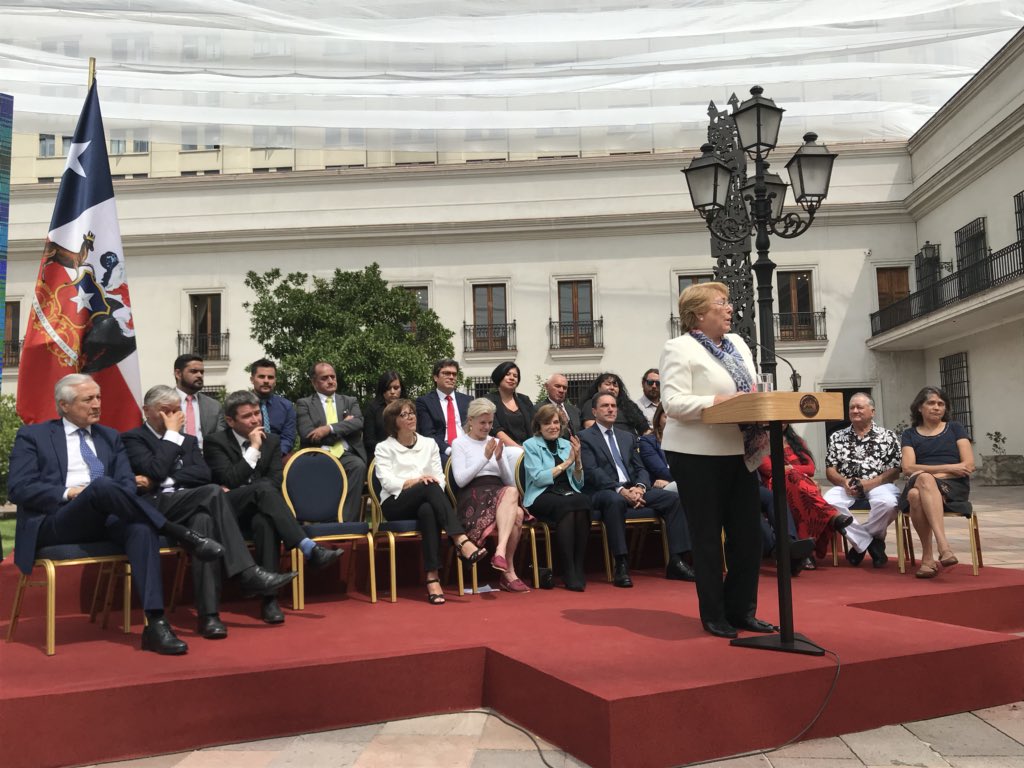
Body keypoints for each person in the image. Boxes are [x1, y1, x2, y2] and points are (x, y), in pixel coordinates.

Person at [8, 374, 223, 655]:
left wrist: (99, 493)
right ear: (64, 405)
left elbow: (126, 485)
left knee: (141, 528)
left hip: (107, 517)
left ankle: (156, 624)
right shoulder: (34, 436)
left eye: (98, 397)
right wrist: (69, 492)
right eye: (88, 399)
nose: (97, 404)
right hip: (57, 520)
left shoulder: (110, 436)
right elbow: (19, 488)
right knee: (101, 486)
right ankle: (177, 532)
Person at [123, 386, 298, 639]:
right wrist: (170, 437)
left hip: (192, 504)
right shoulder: (133, 439)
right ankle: (247, 571)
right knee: (213, 492)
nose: (174, 416)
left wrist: (165, 478)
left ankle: (209, 616)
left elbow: (202, 474)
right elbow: (156, 468)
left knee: (204, 522)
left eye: (176, 410)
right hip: (158, 508)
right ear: (147, 411)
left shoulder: (189, 441)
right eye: (166, 411)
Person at [660, 282, 775, 639]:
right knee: (708, 537)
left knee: (748, 536)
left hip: (740, 451)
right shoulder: (678, 348)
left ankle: (742, 610)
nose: (729, 309)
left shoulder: (738, 343)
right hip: (696, 454)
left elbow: (750, 390)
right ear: (698, 314)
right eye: (721, 303)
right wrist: (718, 402)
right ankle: (713, 614)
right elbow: (673, 403)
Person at [204, 390, 345, 623]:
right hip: (227, 510)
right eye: (247, 416)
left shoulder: (272, 441)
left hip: (261, 508)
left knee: (265, 522)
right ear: (230, 420)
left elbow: (275, 480)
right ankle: (308, 547)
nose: (255, 420)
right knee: (262, 490)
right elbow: (230, 479)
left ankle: (269, 600)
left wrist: (252, 486)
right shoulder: (215, 442)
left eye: (256, 413)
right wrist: (253, 448)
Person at [374, 398, 487, 604]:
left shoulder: (429, 444)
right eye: (404, 415)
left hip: (427, 499)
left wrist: (427, 484)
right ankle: (460, 540)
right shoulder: (384, 448)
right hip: (396, 503)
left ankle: (432, 577)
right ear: (393, 422)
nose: (411, 417)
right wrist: (417, 482)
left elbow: (440, 479)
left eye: (412, 413)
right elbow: (388, 482)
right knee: (428, 485)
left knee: (428, 509)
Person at [580, 392, 696, 587]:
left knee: (673, 500)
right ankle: (621, 564)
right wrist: (620, 490)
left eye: (613, 406)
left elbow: (640, 468)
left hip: (633, 489)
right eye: (605, 406)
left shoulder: (627, 437)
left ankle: (677, 561)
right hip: (603, 492)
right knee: (615, 501)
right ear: (594, 411)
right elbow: (592, 472)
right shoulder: (584, 437)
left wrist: (640, 488)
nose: (610, 409)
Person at [450, 398, 529, 592]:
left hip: (498, 491)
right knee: (514, 503)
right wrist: (485, 458)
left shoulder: (494, 441)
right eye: (482, 422)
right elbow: (460, 481)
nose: (487, 427)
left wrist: (500, 459)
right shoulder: (459, 443)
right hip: (473, 494)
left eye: (490, 422)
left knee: (517, 511)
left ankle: (503, 562)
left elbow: (509, 481)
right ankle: (506, 567)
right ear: (471, 420)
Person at [899, 386, 974, 579]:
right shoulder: (909, 434)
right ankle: (944, 547)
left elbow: (968, 465)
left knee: (915, 494)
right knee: (923, 481)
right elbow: (908, 467)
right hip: (925, 480)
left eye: (941, 404)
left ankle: (928, 558)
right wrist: (949, 468)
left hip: (953, 486)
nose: (936, 407)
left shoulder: (955, 428)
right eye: (931, 403)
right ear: (919, 407)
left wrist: (929, 474)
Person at [825, 393, 902, 568]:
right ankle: (872, 543)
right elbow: (830, 469)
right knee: (827, 503)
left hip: (879, 484)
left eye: (859, 407)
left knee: (889, 503)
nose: (855, 410)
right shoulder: (837, 436)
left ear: (872, 411)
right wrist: (843, 482)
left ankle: (860, 544)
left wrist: (869, 484)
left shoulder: (888, 436)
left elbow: (895, 471)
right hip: (847, 486)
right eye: (852, 407)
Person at [757, 425, 854, 564]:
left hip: (801, 485)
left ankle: (804, 553)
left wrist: (792, 469)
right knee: (797, 484)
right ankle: (832, 516)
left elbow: (811, 468)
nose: (781, 422)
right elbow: (769, 469)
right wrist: (796, 472)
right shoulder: (759, 441)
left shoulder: (796, 441)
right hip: (775, 484)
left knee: (799, 492)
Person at [522, 404, 591, 591]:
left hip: (567, 492)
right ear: (539, 426)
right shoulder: (530, 445)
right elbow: (538, 478)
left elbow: (578, 484)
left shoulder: (567, 444)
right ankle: (568, 569)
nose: (553, 427)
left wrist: (578, 461)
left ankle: (578, 566)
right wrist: (567, 462)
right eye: (547, 423)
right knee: (567, 505)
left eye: (556, 422)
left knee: (583, 501)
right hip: (542, 494)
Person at [295, 362, 368, 522]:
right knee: (323, 469)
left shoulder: (349, 401)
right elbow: (307, 434)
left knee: (358, 466)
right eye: (324, 378)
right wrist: (343, 427)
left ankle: (345, 523)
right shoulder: (304, 404)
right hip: (319, 454)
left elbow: (358, 423)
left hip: (346, 454)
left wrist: (328, 429)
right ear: (314, 382)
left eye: (332, 377)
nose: (330, 381)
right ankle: (323, 521)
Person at [415, 358, 472, 458]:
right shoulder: (425, 402)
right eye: (446, 373)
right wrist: (450, 451)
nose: (451, 377)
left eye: (454, 374)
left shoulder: (467, 400)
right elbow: (428, 434)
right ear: (435, 377)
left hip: (468, 448)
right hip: (442, 451)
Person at [173, 353, 225, 450]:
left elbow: (220, 439)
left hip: (205, 456)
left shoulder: (214, 406)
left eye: (202, 372)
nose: (199, 375)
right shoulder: (164, 403)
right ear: (178, 374)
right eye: (194, 371)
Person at [249, 358, 297, 455]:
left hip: (279, 456)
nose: (266, 381)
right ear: (252, 380)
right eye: (261, 377)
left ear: (275, 381)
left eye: (270, 377)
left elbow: (288, 438)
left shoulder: (286, 406)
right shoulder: (241, 405)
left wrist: (275, 455)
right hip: (249, 454)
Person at [580, 373, 649, 436]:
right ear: (599, 387)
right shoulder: (591, 403)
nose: (612, 388)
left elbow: (644, 428)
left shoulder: (628, 406)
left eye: (615, 385)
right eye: (608, 384)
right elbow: (590, 426)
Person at [485, 361, 536, 447]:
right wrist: (519, 449)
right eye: (507, 374)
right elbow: (496, 430)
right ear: (499, 376)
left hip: (528, 447)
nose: (512, 378)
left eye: (515, 376)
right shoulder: (488, 400)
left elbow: (535, 425)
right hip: (503, 449)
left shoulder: (524, 400)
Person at [364, 371, 405, 458]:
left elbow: (416, 434)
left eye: (396, 388)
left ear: (401, 388)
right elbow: (369, 442)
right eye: (388, 388)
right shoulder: (372, 409)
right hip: (381, 454)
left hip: (406, 453)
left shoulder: (408, 408)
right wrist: (391, 449)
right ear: (382, 390)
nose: (392, 391)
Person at [638, 404, 675, 492]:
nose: (671, 421)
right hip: (662, 486)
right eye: (666, 417)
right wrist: (687, 477)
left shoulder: (683, 440)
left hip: (679, 481)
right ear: (658, 419)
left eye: (674, 418)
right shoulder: (647, 441)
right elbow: (660, 471)